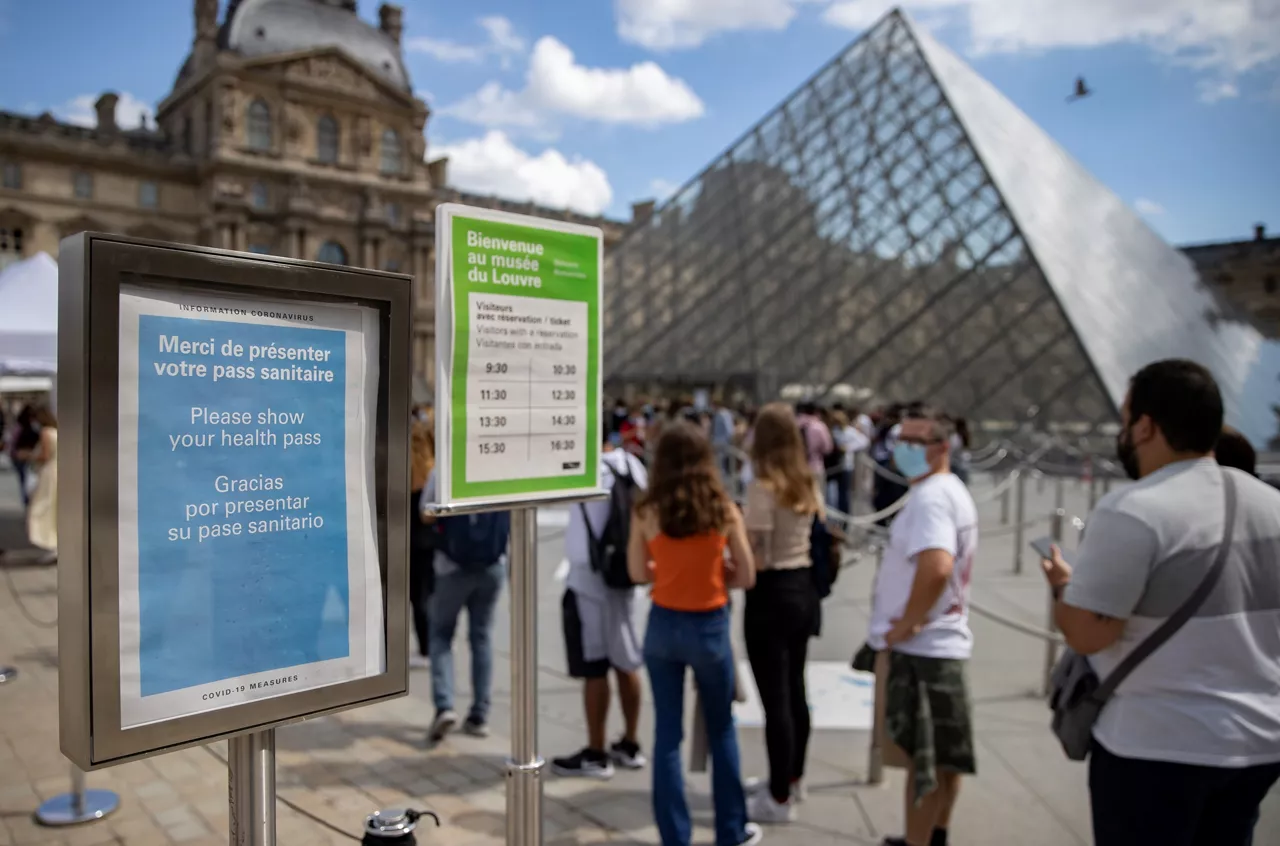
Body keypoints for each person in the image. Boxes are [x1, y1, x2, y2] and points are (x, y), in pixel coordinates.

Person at [1038, 359, 1280, 846]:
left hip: (1157, 744)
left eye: (1125, 420)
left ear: (1145, 425)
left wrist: (1064, 587)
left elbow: (1090, 633)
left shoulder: (1134, 509)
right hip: (1259, 744)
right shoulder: (1271, 505)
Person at [628, 421, 763, 846]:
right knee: (721, 728)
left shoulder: (647, 510)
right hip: (709, 623)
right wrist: (716, 572)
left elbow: (635, 572)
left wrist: (662, 570)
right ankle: (730, 829)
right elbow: (747, 575)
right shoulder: (722, 508)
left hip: (664, 623)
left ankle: (675, 836)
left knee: (667, 734)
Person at [867, 407, 978, 846]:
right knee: (945, 760)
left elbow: (936, 565)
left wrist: (906, 626)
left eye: (915, 441)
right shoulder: (949, 490)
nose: (902, 448)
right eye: (901, 439)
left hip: (925, 651)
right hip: (944, 645)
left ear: (941, 447)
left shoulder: (931, 499)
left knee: (923, 765)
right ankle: (936, 836)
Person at [741, 404, 823, 824]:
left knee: (776, 701)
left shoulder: (762, 487)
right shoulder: (805, 482)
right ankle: (793, 776)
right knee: (795, 690)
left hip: (771, 595)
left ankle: (776, 797)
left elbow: (754, 556)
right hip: (803, 588)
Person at [552, 430, 649, 779]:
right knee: (626, 661)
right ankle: (631, 742)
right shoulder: (631, 465)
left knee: (594, 666)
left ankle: (596, 751)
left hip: (589, 580)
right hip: (624, 575)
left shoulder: (584, 467)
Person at [419, 471, 509, 743]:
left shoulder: (445, 467)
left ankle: (445, 706)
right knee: (481, 637)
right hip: (493, 565)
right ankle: (479, 714)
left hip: (452, 566)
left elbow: (426, 513)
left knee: (441, 634)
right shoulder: (498, 465)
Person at [409, 421, 436, 669]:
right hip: (430, 540)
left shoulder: (406, 476)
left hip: (414, 543)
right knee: (429, 593)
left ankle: (427, 647)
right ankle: (431, 644)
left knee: (418, 595)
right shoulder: (431, 472)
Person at [26, 406, 58, 561]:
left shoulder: (45, 432)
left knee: (43, 508)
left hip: (49, 472)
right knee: (54, 507)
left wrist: (29, 456)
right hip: (58, 471)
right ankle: (54, 543)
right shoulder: (57, 430)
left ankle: (50, 543)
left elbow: (44, 456)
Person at [7, 406, 39, 507]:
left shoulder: (19, 427)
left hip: (20, 456)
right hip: (22, 456)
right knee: (26, 479)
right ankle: (27, 500)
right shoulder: (26, 428)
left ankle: (27, 500)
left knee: (24, 479)